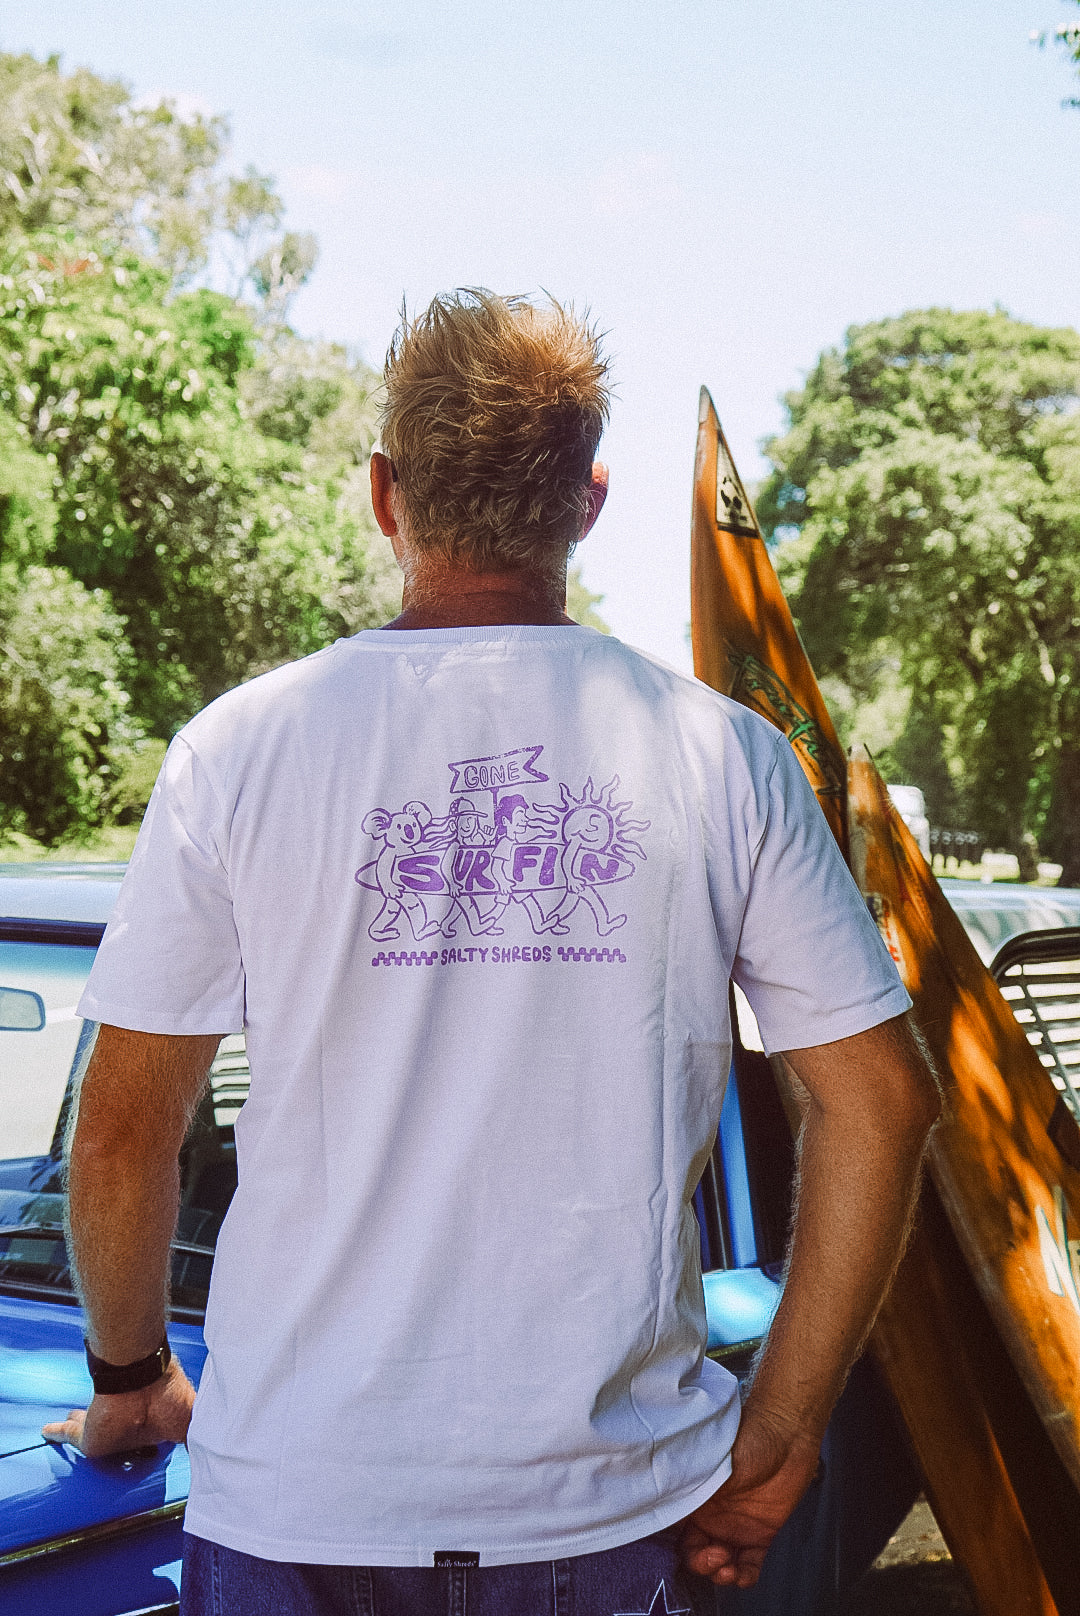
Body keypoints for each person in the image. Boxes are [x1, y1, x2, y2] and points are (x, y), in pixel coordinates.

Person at [45, 290, 940, 1615]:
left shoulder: (239, 750)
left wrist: (132, 1381)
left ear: (384, 494)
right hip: (610, 1510)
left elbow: (124, 1135)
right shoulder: (726, 759)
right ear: (588, 501)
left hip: (297, 1500)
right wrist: (782, 1426)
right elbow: (885, 1100)